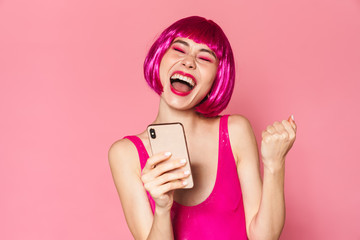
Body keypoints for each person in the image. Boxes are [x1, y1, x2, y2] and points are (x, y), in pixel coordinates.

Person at [108, 16, 297, 240]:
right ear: (159, 59)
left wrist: (274, 165)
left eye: (205, 58)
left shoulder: (235, 131)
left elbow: (264, 237)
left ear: (216, 79)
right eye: (179, 49)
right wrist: (162, 208)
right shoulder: (125, 154)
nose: (189, 62)